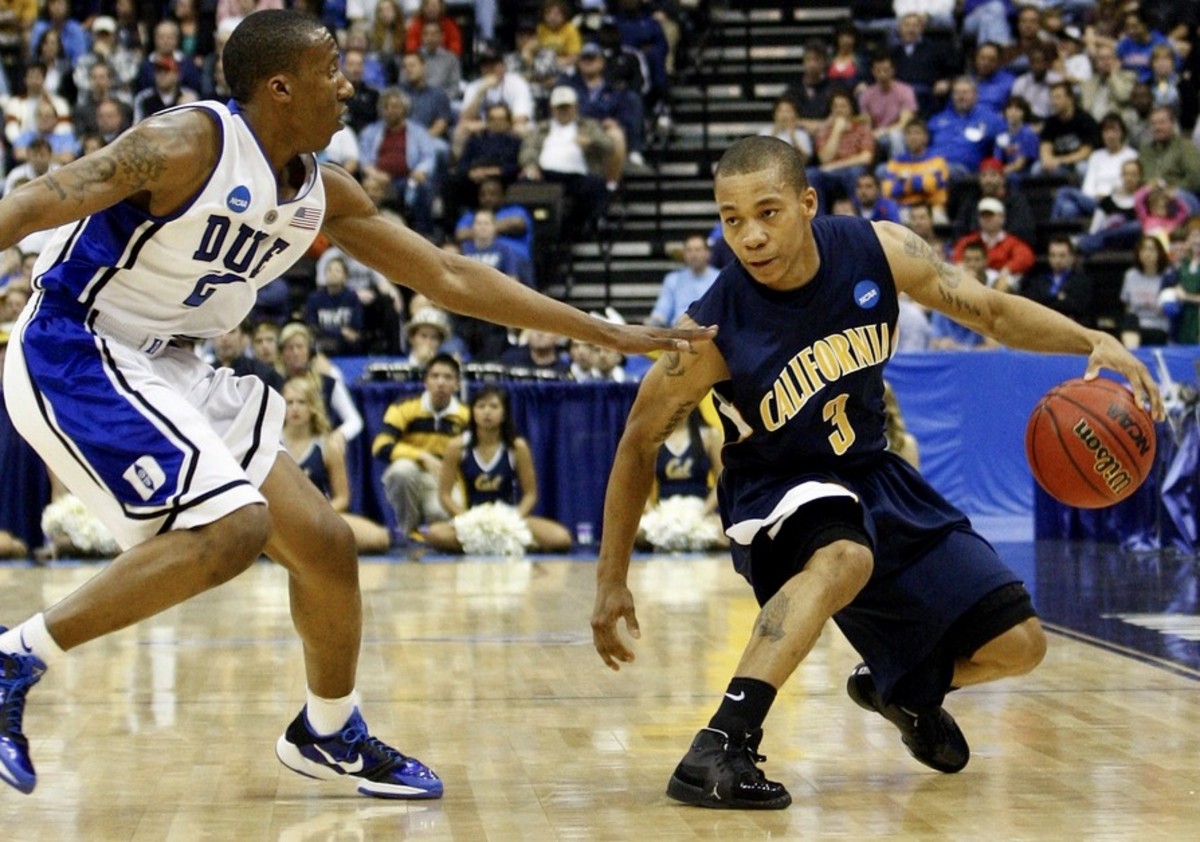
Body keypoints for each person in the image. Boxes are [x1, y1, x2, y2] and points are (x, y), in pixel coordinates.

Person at [0, 9, 710, 799]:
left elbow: (449, 276)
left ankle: (329, 730)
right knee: (235, 527)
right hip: (77, 343)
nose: (349, 84)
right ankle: (12, 658)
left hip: (172, 361)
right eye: (332, 69)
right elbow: (39, 201)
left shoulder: (323, 193)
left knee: (325, 543)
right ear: (279, 87)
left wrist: (607, 334)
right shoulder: (185, 147)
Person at [590, 135, 1162, 810]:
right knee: (842, 554)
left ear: (807, 203)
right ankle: (721, 744)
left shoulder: (880, 250)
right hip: (775, 486)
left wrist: (1090, 339)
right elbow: (637, 441)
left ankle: (901, 688)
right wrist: (610, 581)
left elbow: (992, 311)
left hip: (869, 470)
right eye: (731, 219)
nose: (749, 236)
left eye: (767, 212)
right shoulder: (711, 330)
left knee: (1020, 644)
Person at [426, 385, 573, 553]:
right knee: (435, 534)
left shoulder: (517, 447)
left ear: (504, 413)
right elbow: (444, 495)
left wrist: (514, 518)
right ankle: (508, 546)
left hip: (509, 518)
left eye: (494, 407)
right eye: (481, 406)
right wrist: (465, 518)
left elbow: (531, 494)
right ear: (472, 412)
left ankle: (488, 545)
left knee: (561, 538)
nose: (487, 412)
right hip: (472, 518)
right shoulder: (458, 446)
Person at [282, 376, 391, 555]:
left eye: (301, 402)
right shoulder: (270, 443)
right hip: (279, 520)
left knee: (380, 538)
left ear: (313, 407)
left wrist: (317, 516)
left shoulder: (328, 446)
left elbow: (342, 498)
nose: (295, 408)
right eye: (289, 402)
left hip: (317, 518)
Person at [373, 352, 470, 543]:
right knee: (400, 472)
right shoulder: (404, 407)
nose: (440, 382)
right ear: (425, 381)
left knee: (443, 514)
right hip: (412, 471)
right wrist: (421, 456)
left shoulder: (466, 416)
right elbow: (380, 446)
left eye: (447, 377)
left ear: (457, 384)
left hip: (445, 479)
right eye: (435, 376)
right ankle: (409, 532)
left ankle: (434, 536)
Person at [645, 233, 720, 328]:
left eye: (698, 250)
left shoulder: (719, 278)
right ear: (684, 254)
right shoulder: (672, 280)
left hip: (711, 333)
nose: (694, 255)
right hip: (680, 334)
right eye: (689, 250)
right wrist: (653, 322)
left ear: (708, 253)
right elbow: (662, 311)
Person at [1020, 236, 1093, 326]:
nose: (1057, 260)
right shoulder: (1039, 280)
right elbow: (1032, 304)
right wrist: (1059, 298)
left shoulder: (1080, 281)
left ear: (1072, 257)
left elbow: (1078, 307)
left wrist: (1047, 299)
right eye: (1053, 255)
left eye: (1062, 255)